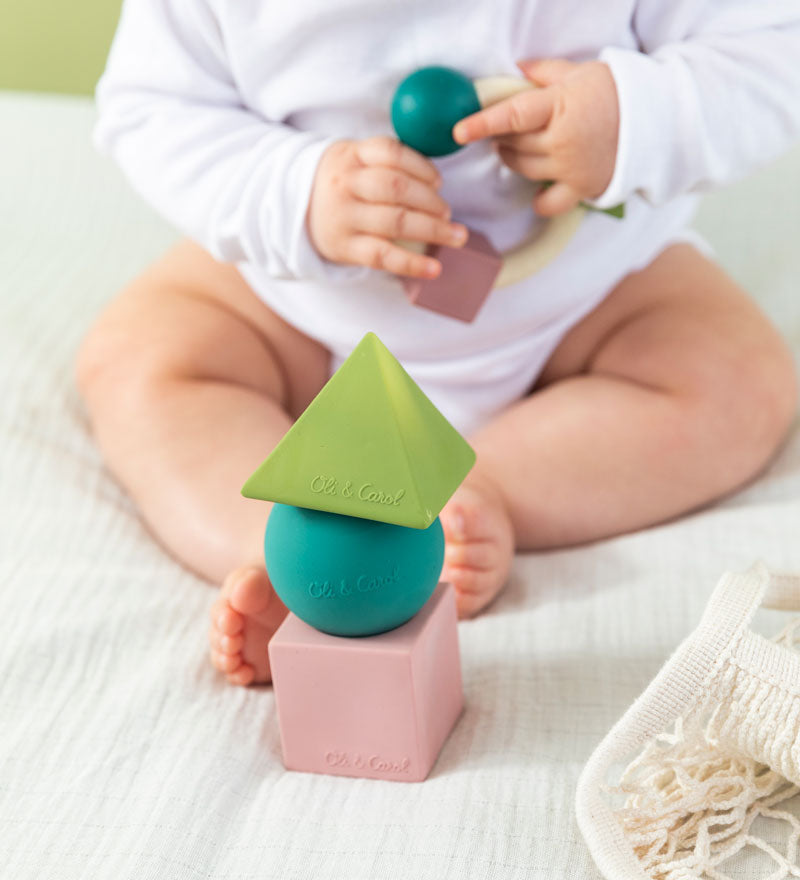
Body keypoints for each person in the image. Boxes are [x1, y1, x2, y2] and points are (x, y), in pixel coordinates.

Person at [76, 0, 800, 685]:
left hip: (585, 296)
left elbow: (773, 50)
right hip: (302, 301)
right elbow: (151, 108)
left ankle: (479, 493)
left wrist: (637, 118)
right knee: (139, 358)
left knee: (739, 378)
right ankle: (299, 563)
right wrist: (295, 191)